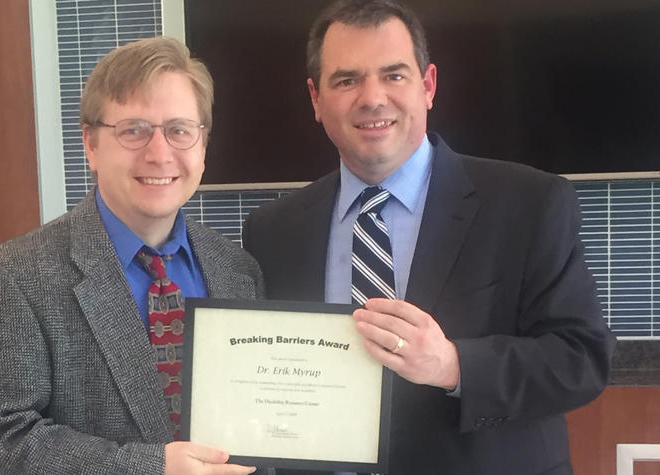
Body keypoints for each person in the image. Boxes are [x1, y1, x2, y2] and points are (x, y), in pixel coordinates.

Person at [242, 1, 616, 473]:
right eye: (347, 79)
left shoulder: (531, 203)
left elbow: (581, 360)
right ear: (316, 99)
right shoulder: (273, 230)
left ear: (428, 85)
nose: (372, 97)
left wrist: (454, 364)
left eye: (394, 75)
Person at [0, 37, 262, 475]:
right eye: (134, 130)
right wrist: (149, 467)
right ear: (91, 145)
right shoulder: (11, 278)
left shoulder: (239, 270)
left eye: (179, 130)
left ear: (203, 145)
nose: (159, 153)